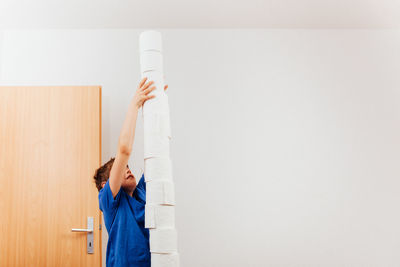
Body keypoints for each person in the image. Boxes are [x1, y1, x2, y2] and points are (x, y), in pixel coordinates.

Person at [93, 77, 168, 267]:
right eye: (120, 169)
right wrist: (135, 104)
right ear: (105, 185)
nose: (127, 170)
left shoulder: (142, 191)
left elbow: (158, 152)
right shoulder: (109, 201)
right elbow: (124, 150)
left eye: (127, 167)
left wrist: (158, 106)